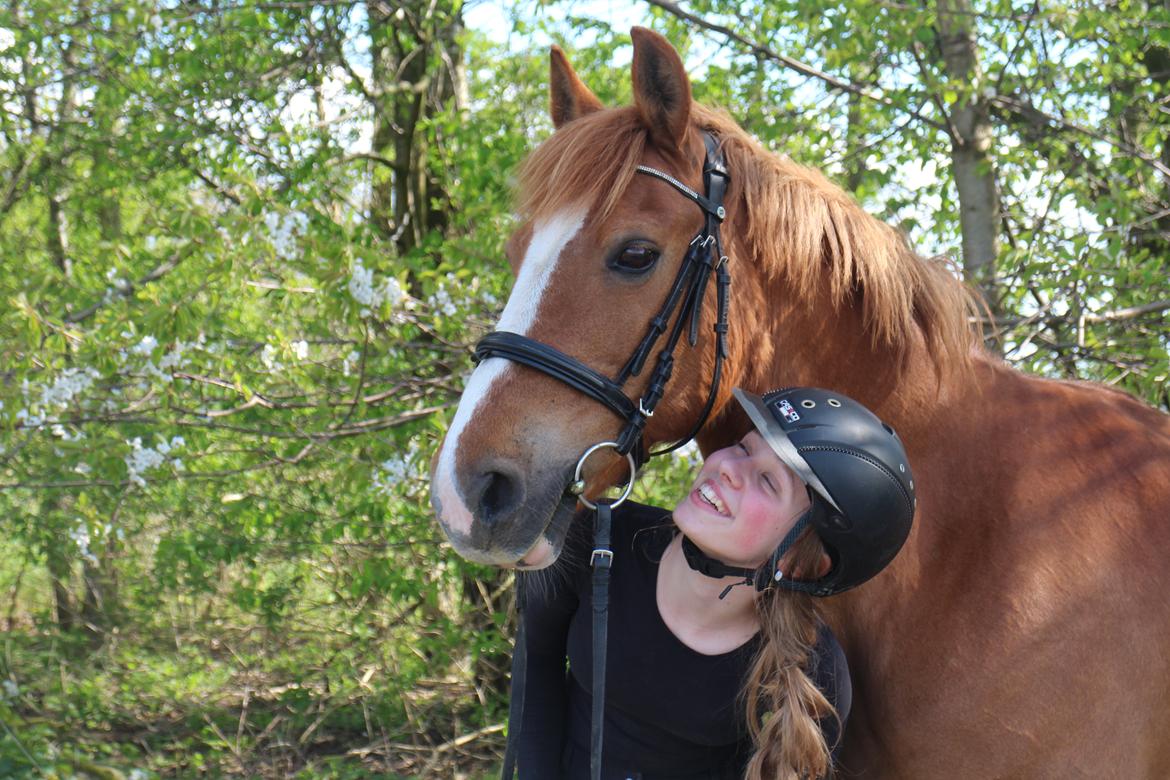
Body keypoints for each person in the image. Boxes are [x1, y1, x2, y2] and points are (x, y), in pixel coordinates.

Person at [516, 387, 916, 780]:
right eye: (743, 447)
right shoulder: (600, 536)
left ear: (799, 563)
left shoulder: (812, 676)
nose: (728, 466)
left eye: (767, 481)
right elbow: (537, 660)